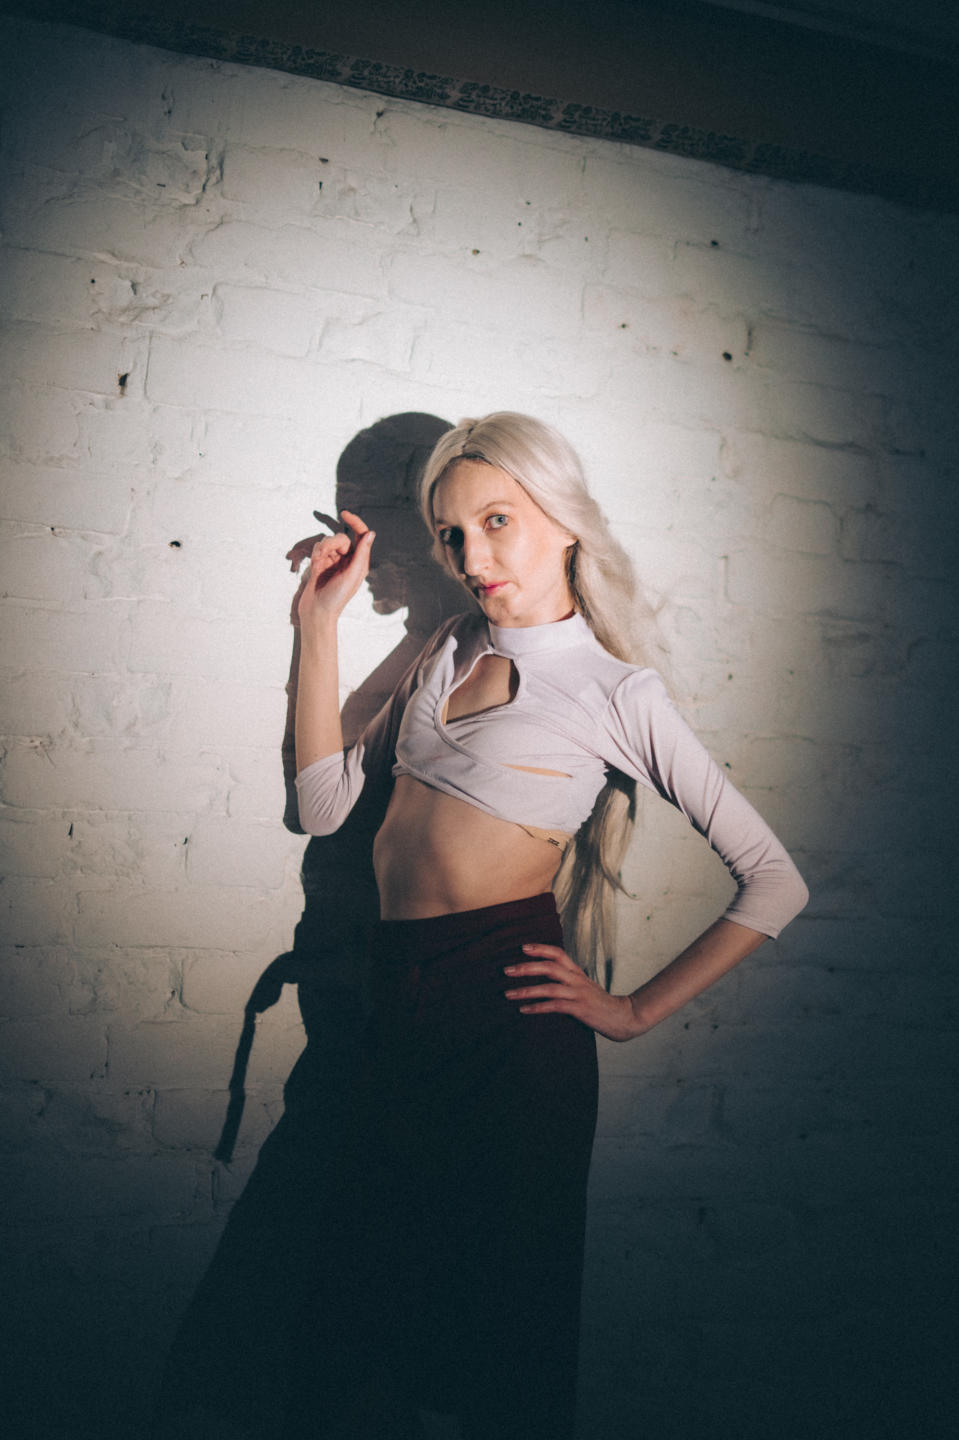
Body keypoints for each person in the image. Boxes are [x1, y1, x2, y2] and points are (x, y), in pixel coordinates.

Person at [288, 411, 808, 1440]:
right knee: (364, 1328)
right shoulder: (444, 646)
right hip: (396, 1002)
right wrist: (317, 627)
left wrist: (631, 1011)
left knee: (495, 1347)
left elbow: (772, 881)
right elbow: (321, 805)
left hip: (507, 1027)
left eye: (497, 521)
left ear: (563, 520)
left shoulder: (617, 692)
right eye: (451, 534)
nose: (472, 557)